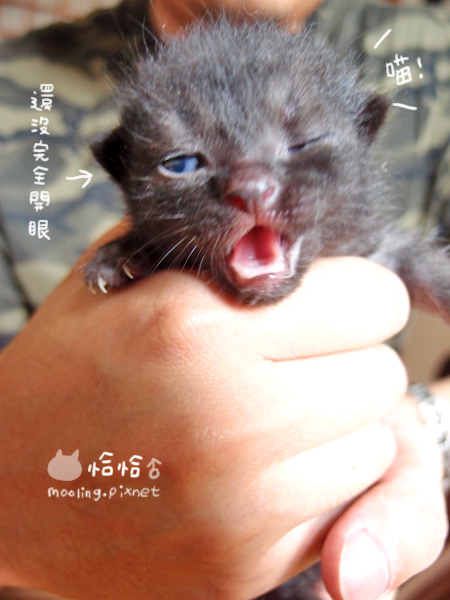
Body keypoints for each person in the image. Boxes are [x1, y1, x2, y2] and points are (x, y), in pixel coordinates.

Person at [0, 1, 448, 599]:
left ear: (365, 130)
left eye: (303, 143)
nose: (252, 186)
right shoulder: (16, 92)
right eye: (183, 162)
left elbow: (414, 263)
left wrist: (423, 422)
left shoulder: (430, 45)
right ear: (123, 176)